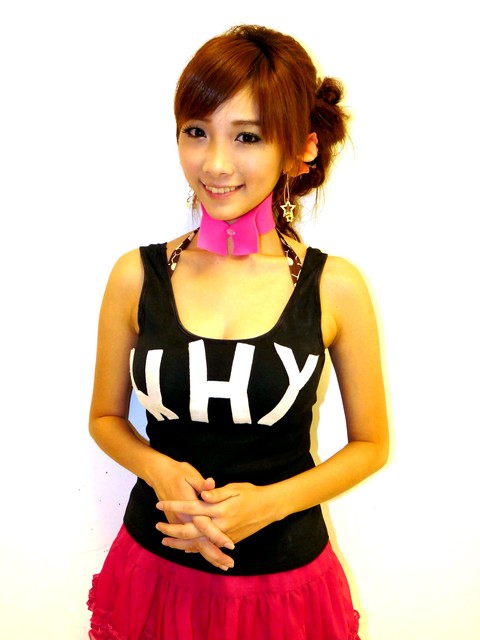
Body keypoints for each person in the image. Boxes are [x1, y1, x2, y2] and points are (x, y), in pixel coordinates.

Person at [87, 24, 389, 640]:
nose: (215, 163)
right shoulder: (134, 276)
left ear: (301, 149)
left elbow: (370, 444)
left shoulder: (336, 287)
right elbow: (105, 418)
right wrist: (159, 469)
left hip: (285, 585)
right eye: (196, 131)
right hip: (155, 571)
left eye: (246, 136)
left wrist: (268, 504)